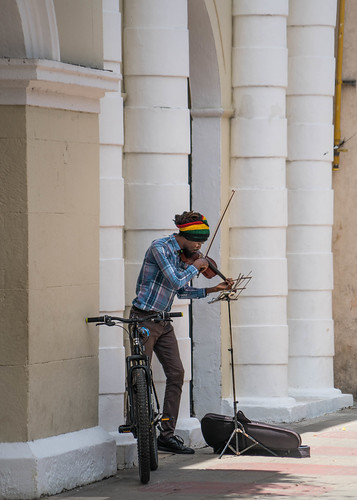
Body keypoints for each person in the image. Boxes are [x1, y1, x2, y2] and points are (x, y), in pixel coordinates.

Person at [130, 211, 233, 454]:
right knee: (140, 376)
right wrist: (196, 265)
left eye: (201, 243)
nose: (199, 247)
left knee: (177, 374)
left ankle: (166, 434)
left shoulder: (182, 255)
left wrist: (212, 288)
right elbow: (176, 281)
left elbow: (182, 292)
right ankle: (140, 426)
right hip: (144, 317)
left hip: (164, 321)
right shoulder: (160, 248)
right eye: (196, 242)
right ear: (184, 235)